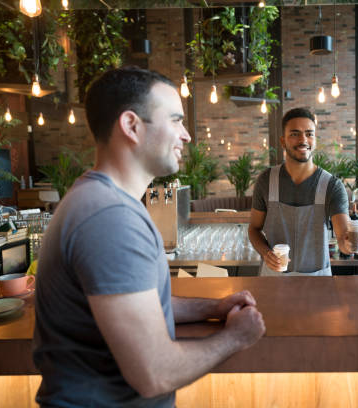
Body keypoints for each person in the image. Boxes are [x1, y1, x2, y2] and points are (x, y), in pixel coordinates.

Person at [33, 67, 265, 407]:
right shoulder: (110, 218)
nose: (186, 136)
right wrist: (234, 338)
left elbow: (138, 304)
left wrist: (212, 308)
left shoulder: (104, 201)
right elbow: (154, 374)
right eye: (175, 120)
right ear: (131, 126)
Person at [248, 107, 351, 276]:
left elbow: (342, 238)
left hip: (317, 281)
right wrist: (266, 253)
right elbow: (254, 229)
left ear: (315, 140)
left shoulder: (331, 185)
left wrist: (351, 243)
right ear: (283, 141)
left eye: (309, 134)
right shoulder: (266, 181)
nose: (303, 139)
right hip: (273, 279)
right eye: (295, 134)